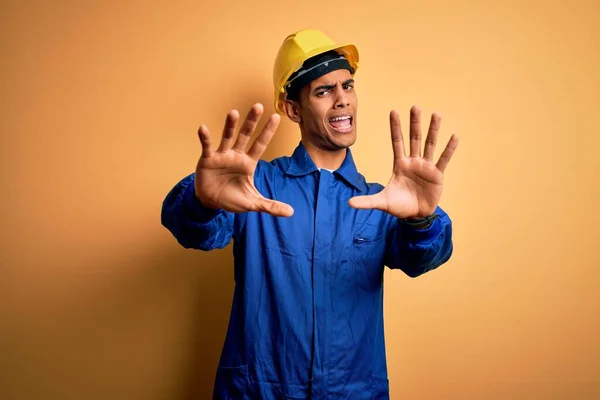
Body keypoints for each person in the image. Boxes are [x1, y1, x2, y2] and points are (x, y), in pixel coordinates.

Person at [161, 29, 459, 399]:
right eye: (323, 91)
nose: (342, 101)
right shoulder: (253, 186)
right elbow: (191, 229)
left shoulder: (380, 202)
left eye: (347, 86)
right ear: (292, 109)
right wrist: (202, 202)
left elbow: (423, 257)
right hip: (258, 391)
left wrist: (420, 219)